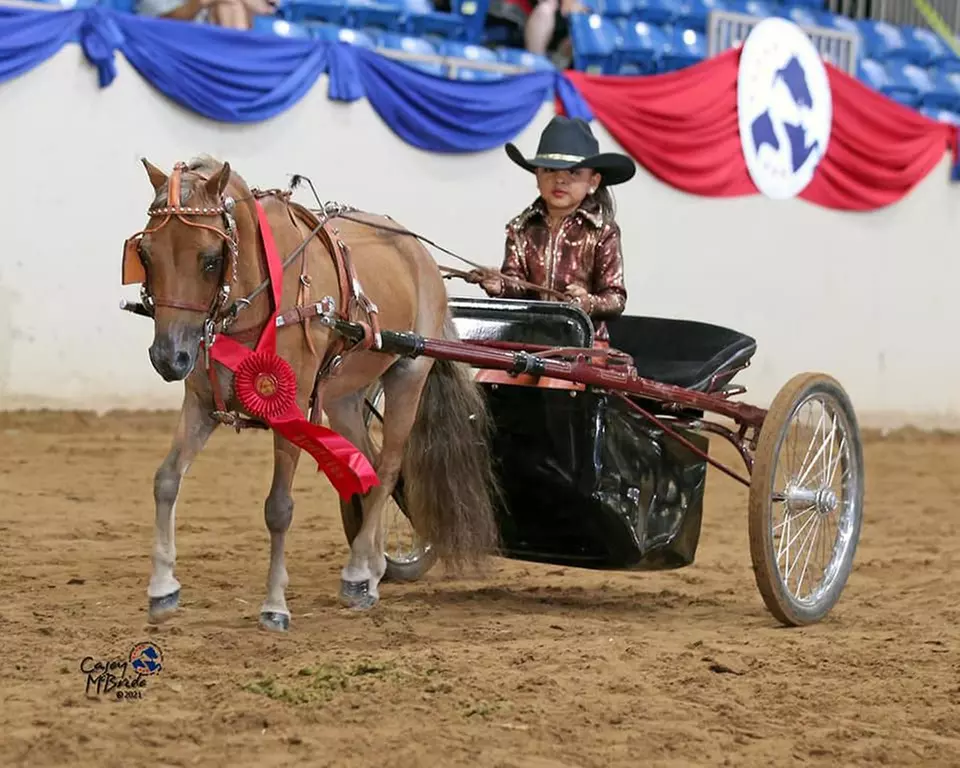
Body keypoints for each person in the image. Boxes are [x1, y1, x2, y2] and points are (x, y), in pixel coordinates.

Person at [473, 115, 637, 343]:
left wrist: (587, 302)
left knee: (556, 381)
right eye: (549, 170)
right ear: (537, 176)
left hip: (584, 345)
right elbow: (516, 284)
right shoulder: (521, 228)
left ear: (593, 182)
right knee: (486, 375)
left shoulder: (602, 231)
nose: (560, 180)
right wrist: (500, 285)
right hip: (526, 340)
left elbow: (615, 297)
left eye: (573, 172)